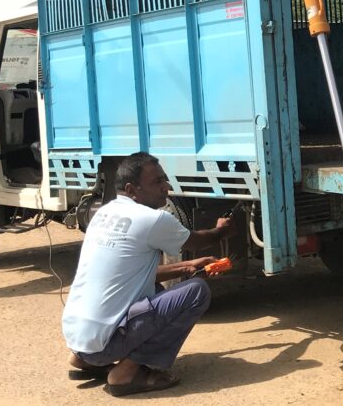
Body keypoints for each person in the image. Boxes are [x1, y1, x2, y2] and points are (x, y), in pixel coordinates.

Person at [62, 152, 235, 396]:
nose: (166, 187)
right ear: (132, 189)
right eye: (157, 182)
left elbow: (131, 275)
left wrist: (187, 267)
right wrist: (220, 231)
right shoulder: (152, 219)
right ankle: (126, 373)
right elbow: (196, 241)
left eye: (165, 179)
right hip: (104, 342)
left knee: (154, 291)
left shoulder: (104, 213)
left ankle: (85, 360)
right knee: (196, 292)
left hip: (79, 337)